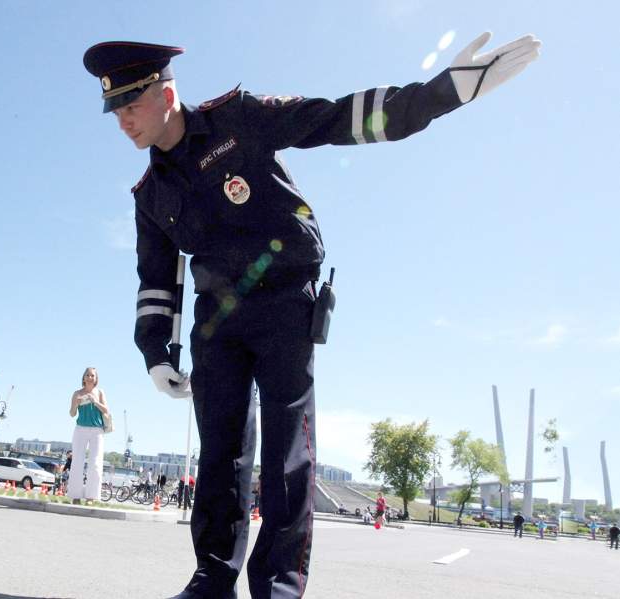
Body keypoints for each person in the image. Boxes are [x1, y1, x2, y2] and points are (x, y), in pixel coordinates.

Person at [82, 32, 540, 599]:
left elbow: (335, 118)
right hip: (216, 321)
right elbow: (155, 281)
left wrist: (443, 93)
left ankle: (278, 586)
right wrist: (156, 353)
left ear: (166, 94)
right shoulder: (149, 193)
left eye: (130, 104)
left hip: (284, 300)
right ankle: (211, 580)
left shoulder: (238, 118)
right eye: (115, 111)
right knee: (220, 453)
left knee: (286, 456)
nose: (123, 121)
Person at [66, 367, 110, 505]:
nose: (90, 377)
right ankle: (75, 496)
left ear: (96, 378)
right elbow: (72, 413)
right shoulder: (77, 393)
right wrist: (76, 403)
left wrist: (95, 401)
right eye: (88, 375)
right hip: (81, 429)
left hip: (97, 430)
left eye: (92, 375)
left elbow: (106, 410)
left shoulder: (100, 392)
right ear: (83, 377)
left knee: (95, 463)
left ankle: (91, 497)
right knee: (77, 462)